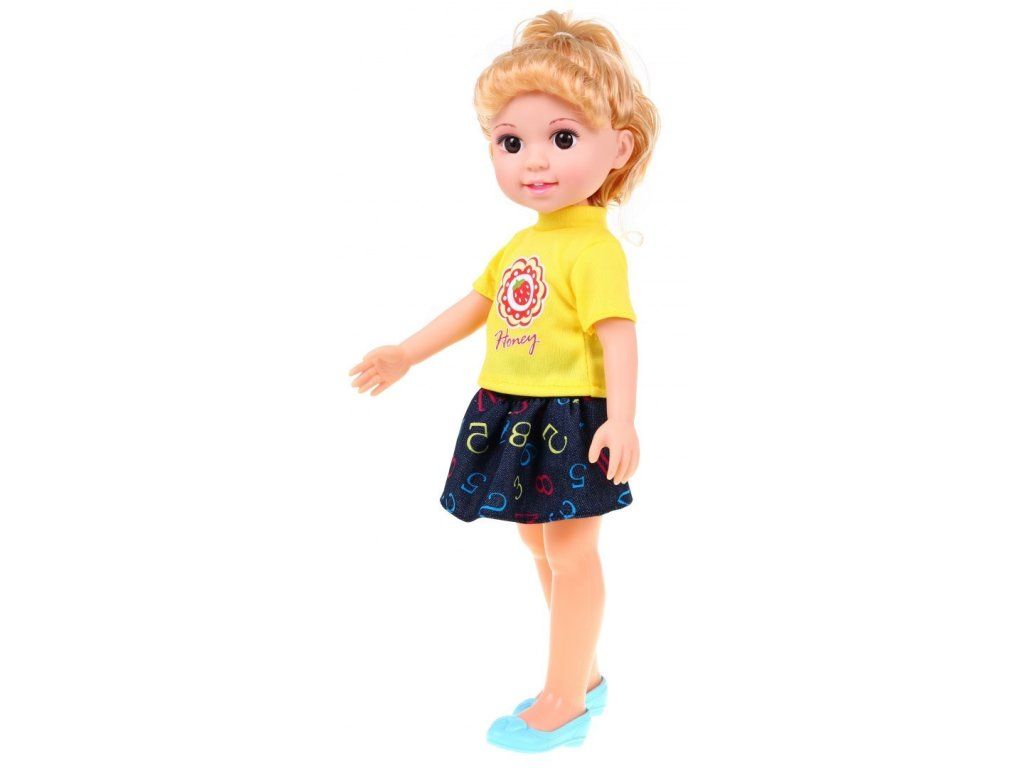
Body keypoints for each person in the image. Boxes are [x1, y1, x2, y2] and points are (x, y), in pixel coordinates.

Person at [348, 9, 659, 752]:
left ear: (618, 148)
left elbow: (618, 335)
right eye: (510, 142)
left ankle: (566, 697)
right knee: (539, 546)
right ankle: (582, 673)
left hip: (571, 415)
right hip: (514, 409)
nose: (533, 162)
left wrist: (621, 419)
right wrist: (406, 353)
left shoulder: (594, 251)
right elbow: (475, 306)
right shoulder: (523, 241)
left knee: (571, 552)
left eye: (563, 138)